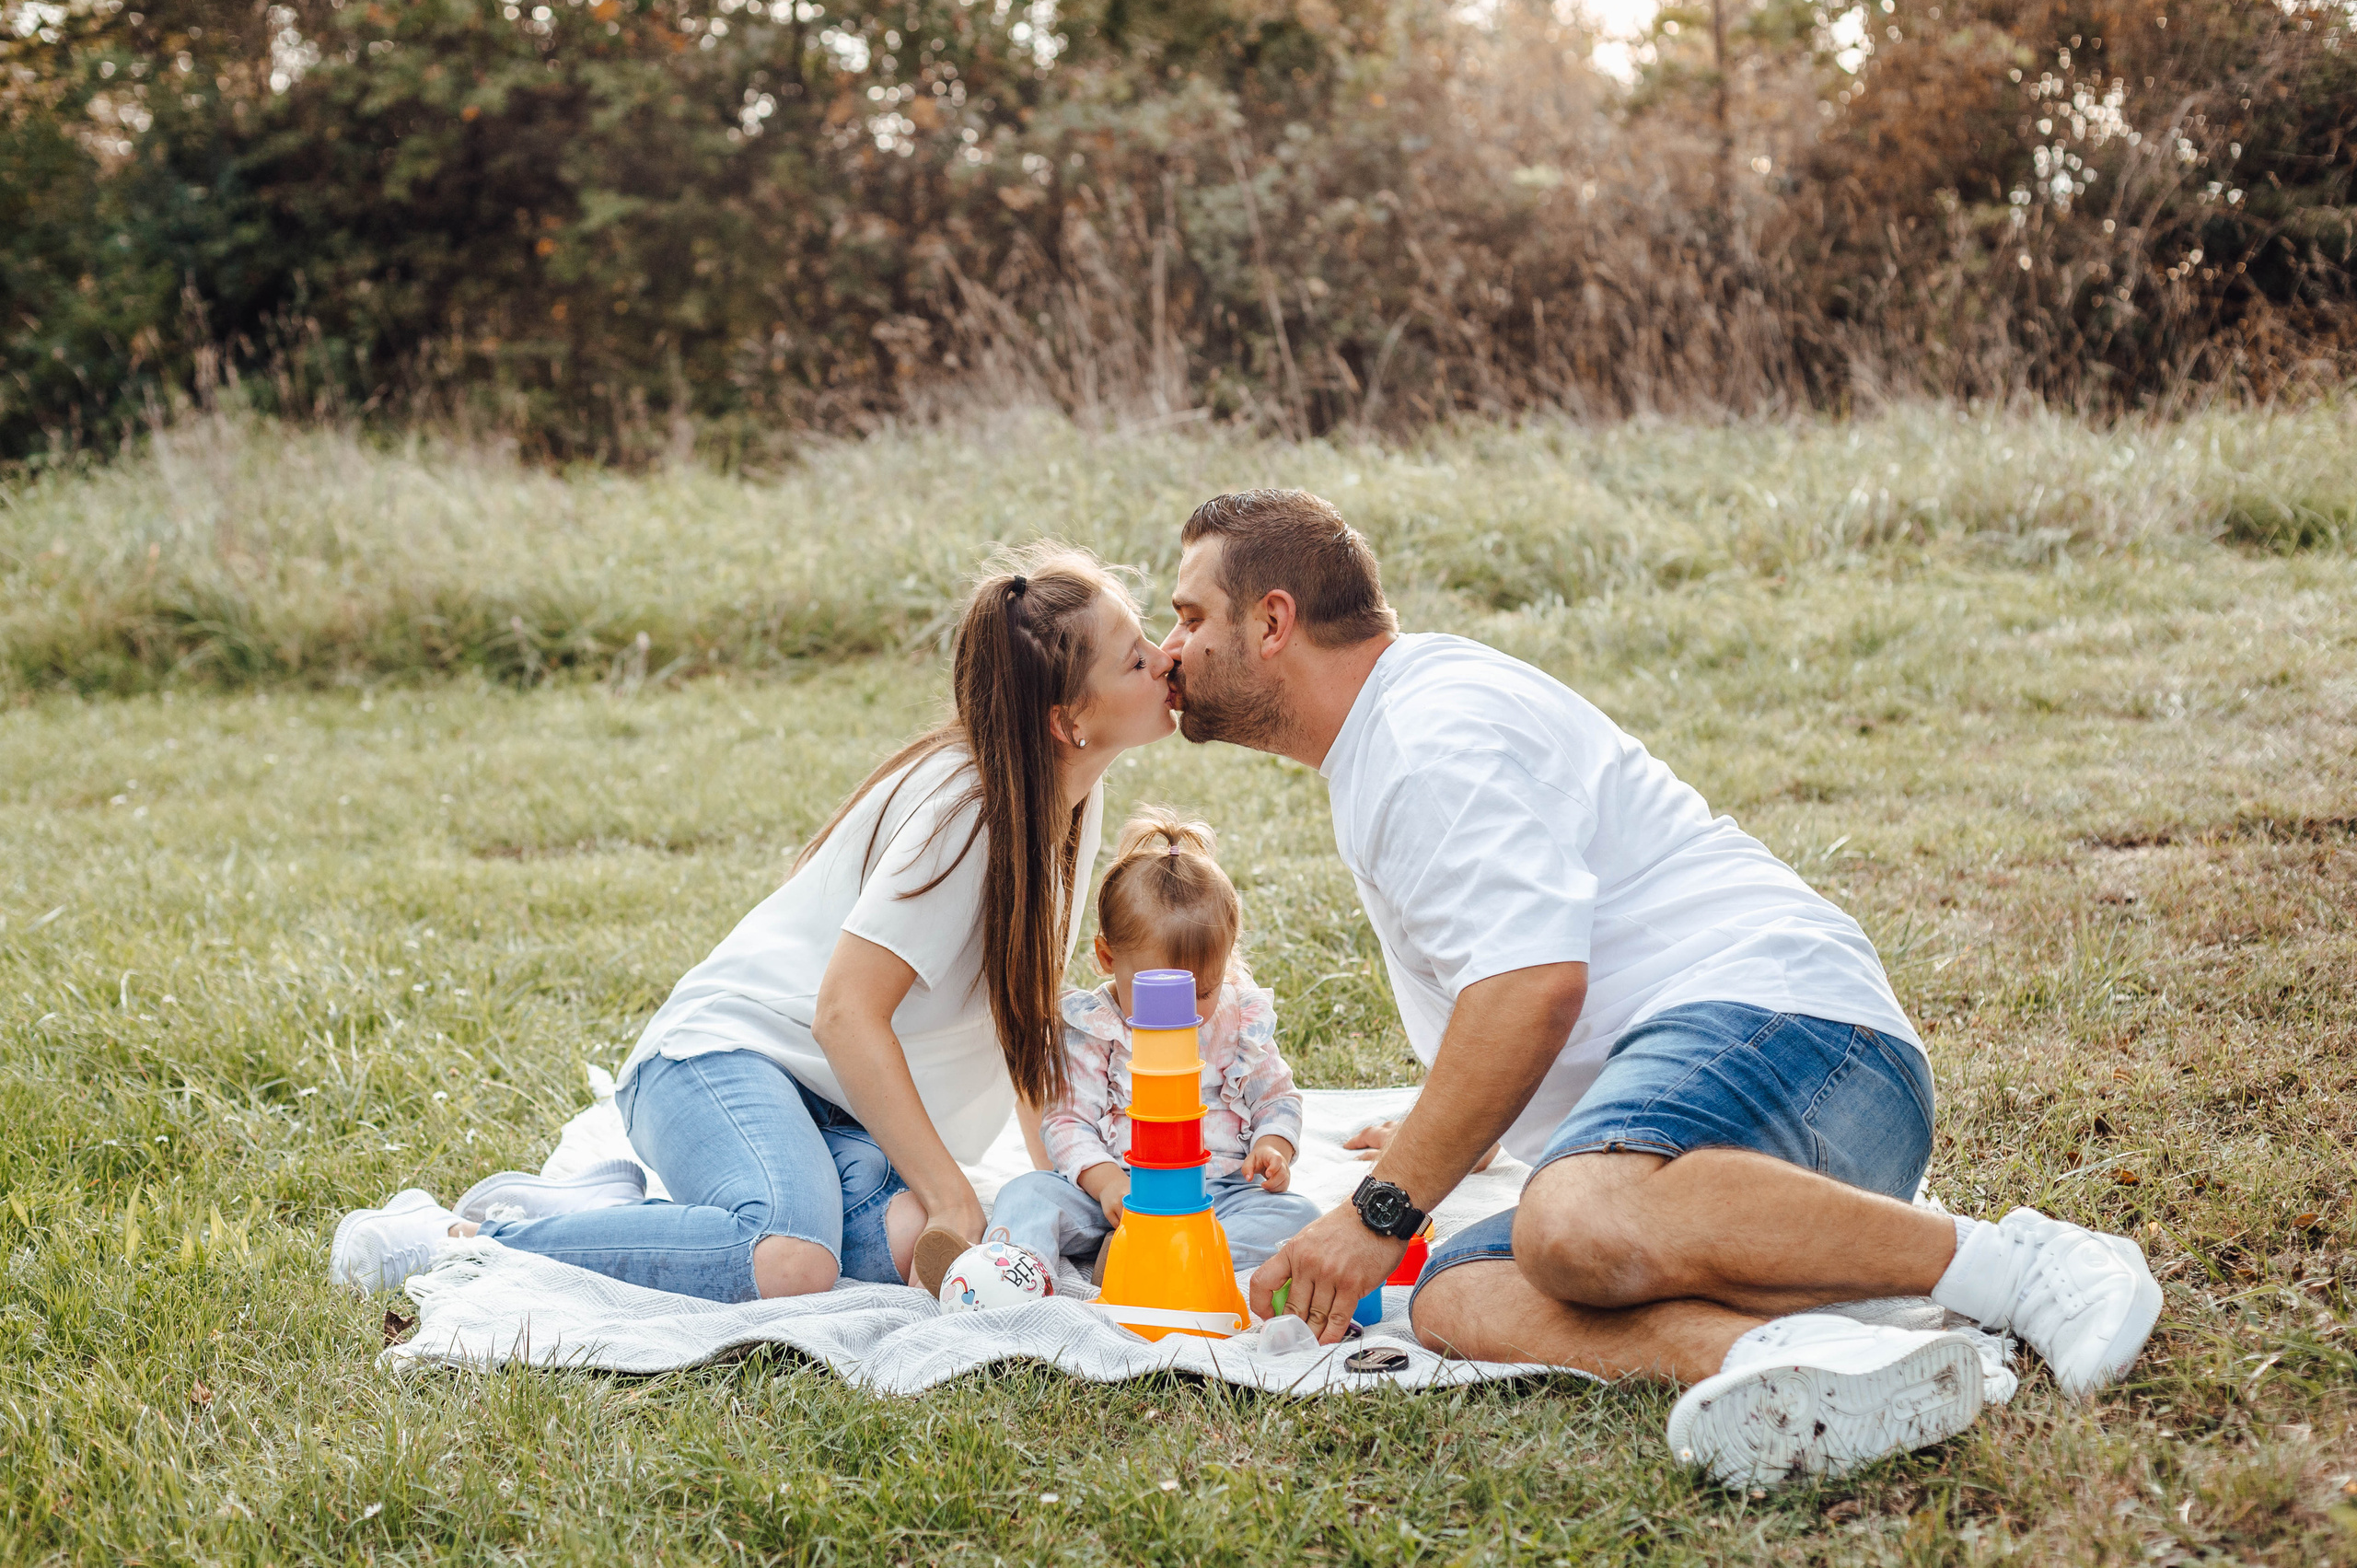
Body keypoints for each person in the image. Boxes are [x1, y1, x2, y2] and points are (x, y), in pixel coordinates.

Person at [1156, 489, 2162, 1486]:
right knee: (1459, 1299)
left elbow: (1531, 987)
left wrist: (1380, 1210)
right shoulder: (1392, 734)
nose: (1172, 648)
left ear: (1274, 621)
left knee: (1572, 1218)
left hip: (1803, 1044)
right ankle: (1808, 1367)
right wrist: (1441, 1127)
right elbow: (1513, 974)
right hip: (1748, 1158)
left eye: (1190, 616)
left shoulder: (1426, 741)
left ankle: (2023, 1266)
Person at [330, 545, 1181, 1303]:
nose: (1164, 660)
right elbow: (844, 1014)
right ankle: (461, 1242)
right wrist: (958, 1199)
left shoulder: (1070, 794)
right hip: (719, 1060)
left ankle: (615, 1211)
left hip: (833, 1113)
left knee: (901, 1239)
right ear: (1068, 721)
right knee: (788, 1258)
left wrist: (1066, 1181)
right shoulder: (975, 812)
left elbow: (1021, 1016)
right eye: (1137, 657)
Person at [975, 807, 1317, 1283]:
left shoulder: (1239, 1018)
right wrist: (1106, 1182)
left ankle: (1167, 1260)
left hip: (1213, 1198)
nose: (1189, 1011)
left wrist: (1272, 1145)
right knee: (1029, 1192)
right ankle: (1012, 1272)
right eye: (1162, 992)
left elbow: (1277, 1097)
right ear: (1106, 957)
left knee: (1299, 1217)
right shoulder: (1097, 1027)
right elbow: (1067, 1121)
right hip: (1115, 1199)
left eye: (1203, 991)